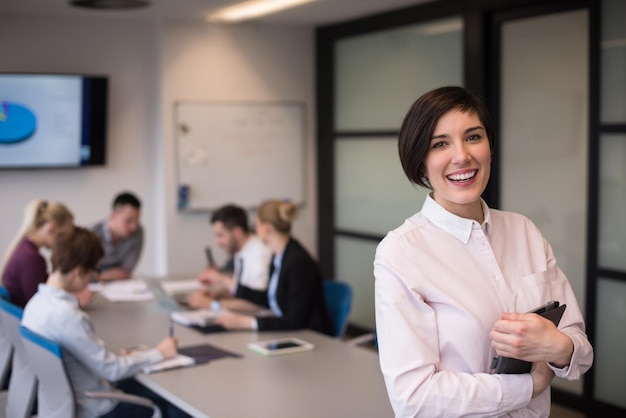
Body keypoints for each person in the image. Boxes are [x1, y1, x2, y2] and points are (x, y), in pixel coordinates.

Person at [374, 86, 593, 417]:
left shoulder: (525, 232)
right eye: (440, 144)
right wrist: (527, 387)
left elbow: (580, 349)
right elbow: (413, 400)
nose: (462, 156)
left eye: (473, 137)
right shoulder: (401, 253)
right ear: (420, 162)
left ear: (490, 147)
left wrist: (558, 347)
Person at [21, 226, 187, 418]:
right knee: (174, 409)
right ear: (78, 273)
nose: (90, 281)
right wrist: (159, 353)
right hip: (95, 408)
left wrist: (115, 356)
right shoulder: (68, 316)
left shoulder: (34, 306)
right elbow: (111, 370)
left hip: (61, 405)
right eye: (91, 275)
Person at [208, 200, 333, 336]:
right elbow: (270, 299)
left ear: (267, 228)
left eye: (256, 224)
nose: (254, 229)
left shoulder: (298, 262)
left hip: (312, 337)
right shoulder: (279, 255)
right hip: (291, 333)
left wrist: (246, 322)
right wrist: (233, 288)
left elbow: (294, 321)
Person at [187, 204, 271, 308]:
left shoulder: (259, 254)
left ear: (237, 232)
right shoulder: (242, 251)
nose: (217, 242)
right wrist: (218, 295)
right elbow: (244, 291)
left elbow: (258, 302)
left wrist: (211, 304)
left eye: (220, 235)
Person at [1, 199, 74, 307]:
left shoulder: (23, 248)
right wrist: (75, 300)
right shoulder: (32, 258)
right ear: (52, 228)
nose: (63, 242)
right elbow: (40, 305)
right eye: (62, 235)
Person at [91, 192, 143, 281]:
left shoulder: (138, 232)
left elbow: (125, 272)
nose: (133, 227)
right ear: (113, 216)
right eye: (129, 221)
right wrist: (105, 275)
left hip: (120, 287)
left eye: (136, 221)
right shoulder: (91, 234)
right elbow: (80, 275)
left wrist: (97, 274)